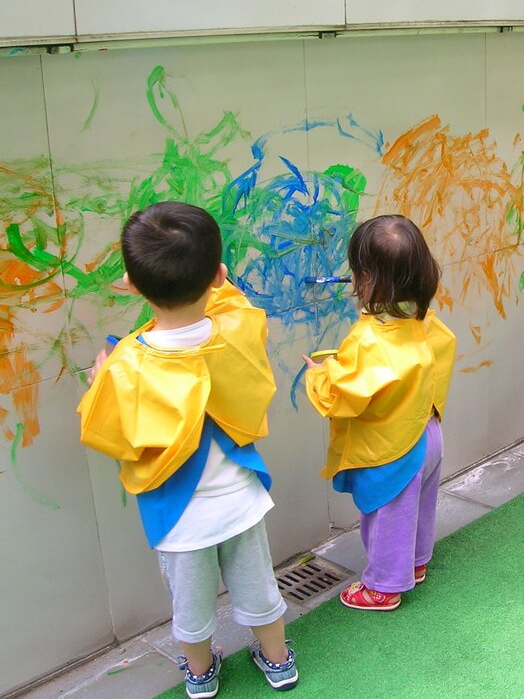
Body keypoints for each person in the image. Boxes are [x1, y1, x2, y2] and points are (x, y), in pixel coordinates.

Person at [78, 202, 298, 697]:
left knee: (191, 607)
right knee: (260, 590)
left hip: (179, 520)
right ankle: (279, 661)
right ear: (218, 274)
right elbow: (229, 306)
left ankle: (199, 676)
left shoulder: (125, 367)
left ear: (132, 285)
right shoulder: (238, 327)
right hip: (241, 500)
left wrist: (99, 381)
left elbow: (109, 431)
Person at [302, 215, 456, 612]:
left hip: (393, 449)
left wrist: (319, 377)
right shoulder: (423, 318)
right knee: (418, 507)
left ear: (366, 278)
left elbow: (345, 396)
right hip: (428, 431)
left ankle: (384, 586)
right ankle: (416, 563)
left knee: (387, 516)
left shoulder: (368, 338)